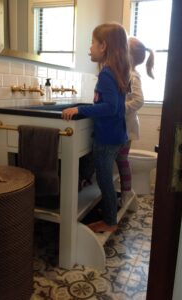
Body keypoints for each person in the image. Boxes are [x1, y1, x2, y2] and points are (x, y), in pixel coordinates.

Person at [62, 23, 130, 233]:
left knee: (104, 180)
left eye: (92, 42)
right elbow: (113, 106)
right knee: (102, 176)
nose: (89, 48)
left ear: (103, 46)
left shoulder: (107, 74)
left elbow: (110, 107)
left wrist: (80, 109)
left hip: (107, 138)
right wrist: (85, 108)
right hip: (116, 136)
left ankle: (109, 221)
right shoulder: (116, 72)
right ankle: (105, 210)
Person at [116, 37, 154, 205]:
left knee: (122, 160)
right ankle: (125, 192)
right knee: (121, 159)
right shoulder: (125, 74)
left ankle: (126, 193)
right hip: (124, 125)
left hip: (126, 125)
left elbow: (138, 100)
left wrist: (118, 108)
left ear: (127, 54)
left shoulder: (131, 76)